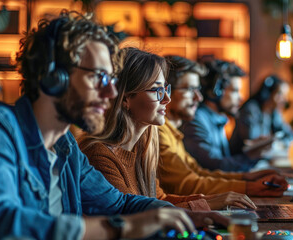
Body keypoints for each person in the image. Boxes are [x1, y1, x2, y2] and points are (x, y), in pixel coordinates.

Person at [0, 12, 225, 240]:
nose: (111, 92)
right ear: (56, 76)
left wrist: (185, 216)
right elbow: (0, 221)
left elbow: (119, 204)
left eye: (111, 79)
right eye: (99, 77)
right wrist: (122, 227)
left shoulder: (66, 147)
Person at [78, 47, 256, 211]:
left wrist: (211, 200)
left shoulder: (143, 146)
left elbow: (159, 199)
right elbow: (134, 216)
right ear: (125, 98)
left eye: (165, 89)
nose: (166, 99)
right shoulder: (99, 155)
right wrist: (206, 204)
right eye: (156, 90)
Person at [158, 55, 288, 197]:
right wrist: (250, 185)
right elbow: (189, 182)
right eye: (189, 89)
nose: (198, 97)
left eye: (197, 89)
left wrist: (248, 178)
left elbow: (198, 172)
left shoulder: (173, 132)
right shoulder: (172, 129)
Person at [181, 58, 260, 172]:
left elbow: (224, 159)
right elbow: (216, 166)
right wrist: (250, 157)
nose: (241, 98)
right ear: (215, 91)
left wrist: (251, 149)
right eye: (234, 91)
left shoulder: (218, 119)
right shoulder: (196, 120)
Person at [230, 75, 293, 155]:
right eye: (280, 94)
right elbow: (254, 142)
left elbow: (291, 135)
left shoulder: (273, 113)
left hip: (258, 159)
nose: (284, 99)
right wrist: (275, 142)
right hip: (241, 160)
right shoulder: (251, 109)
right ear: (267, 93)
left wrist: (280, 143)